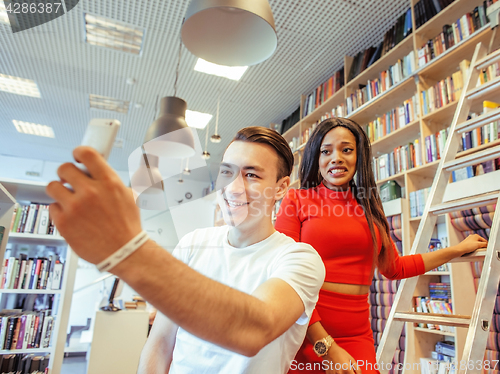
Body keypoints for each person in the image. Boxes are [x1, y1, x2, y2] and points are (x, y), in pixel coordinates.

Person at [46, 126, 325, 373]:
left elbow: (253, 330)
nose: (234, 188)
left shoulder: (299, 259)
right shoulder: (194, 243)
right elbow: (160, 343)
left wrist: (129, 250)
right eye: (227, 172)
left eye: (251, 175)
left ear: (280, 188)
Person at [274, 117, 488, 374]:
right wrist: (327, 348)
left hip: (357, 334)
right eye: (326, 151)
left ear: (359, 156)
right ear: (316, 158)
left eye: (346, 150)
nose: (336, 158)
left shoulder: (370, 207)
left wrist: (456, 249)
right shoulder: (297, 199)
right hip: (307, 330)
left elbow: (395, 268)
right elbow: (286, 279)